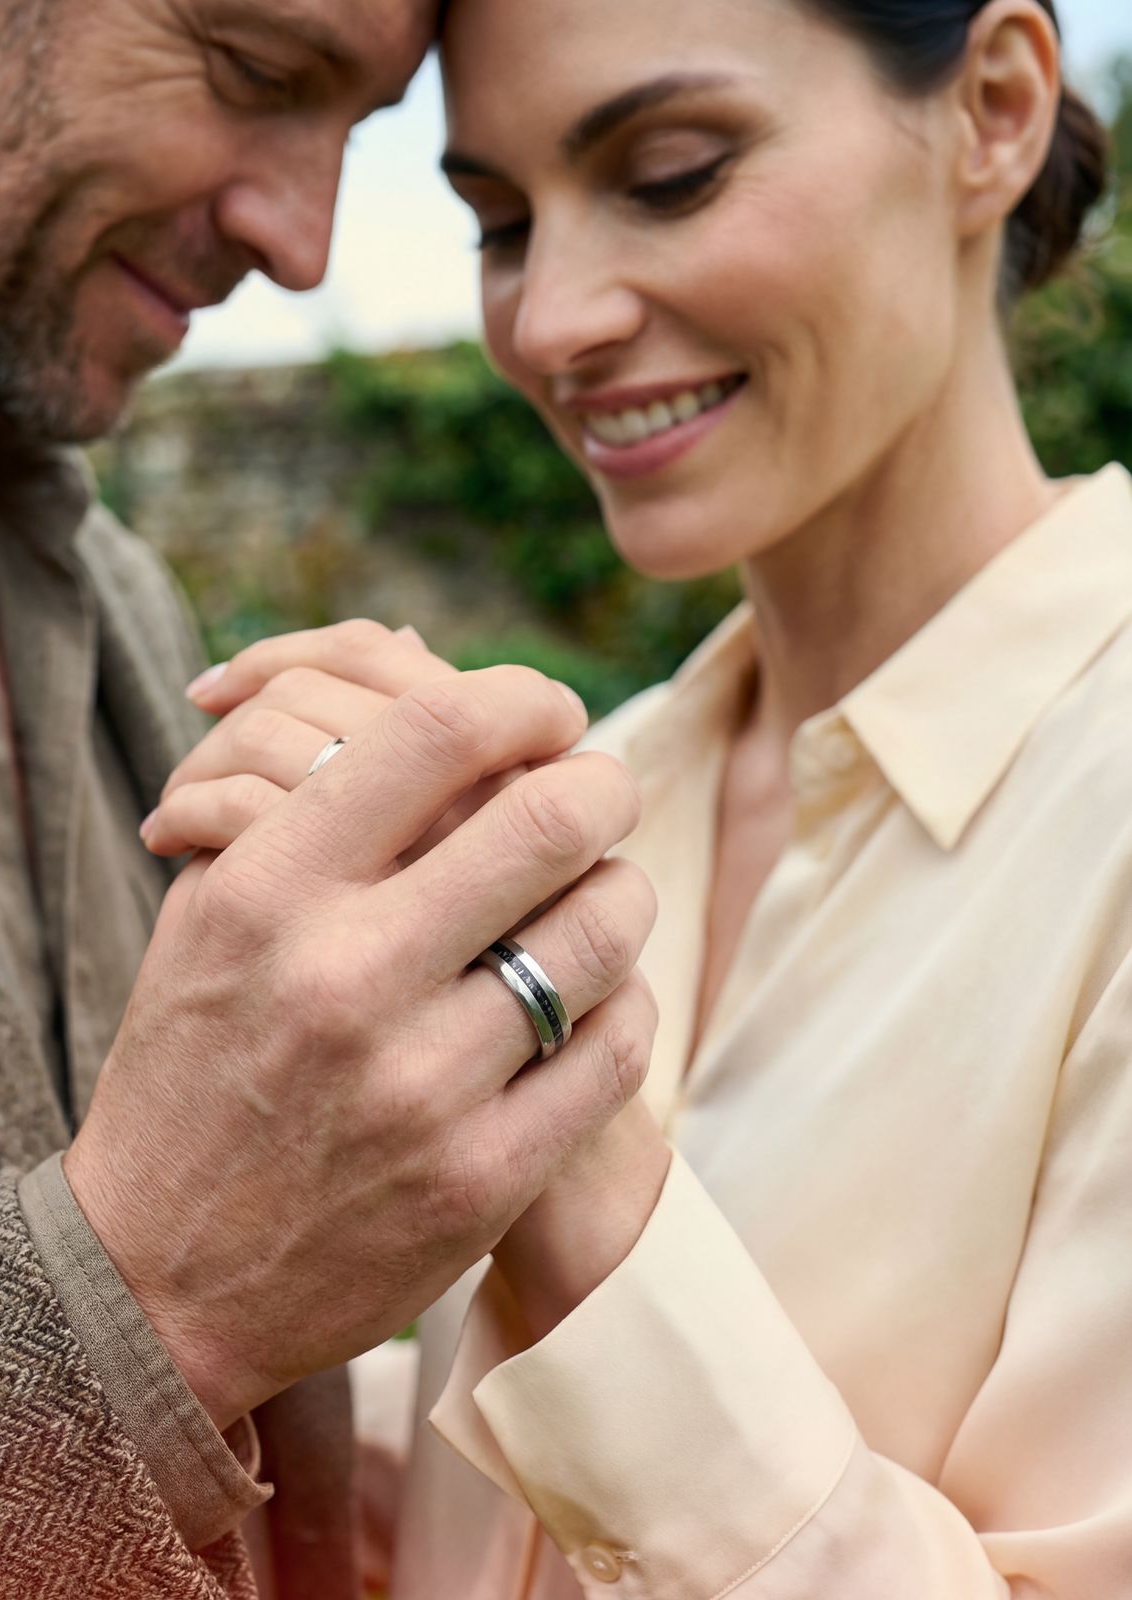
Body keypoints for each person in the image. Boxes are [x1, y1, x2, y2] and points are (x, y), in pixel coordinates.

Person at [154, 0, 1132, 1593]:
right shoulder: (599, 783)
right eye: (497, 223)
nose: (549, 319)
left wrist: (583, 1167)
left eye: (671, 173)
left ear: (997, 108)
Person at [0, 2, 661, 1596]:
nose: (303, 241)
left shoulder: (125, 608)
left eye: (352, 125)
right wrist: (148, 1299)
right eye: (254, 72)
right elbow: (166, 1276)